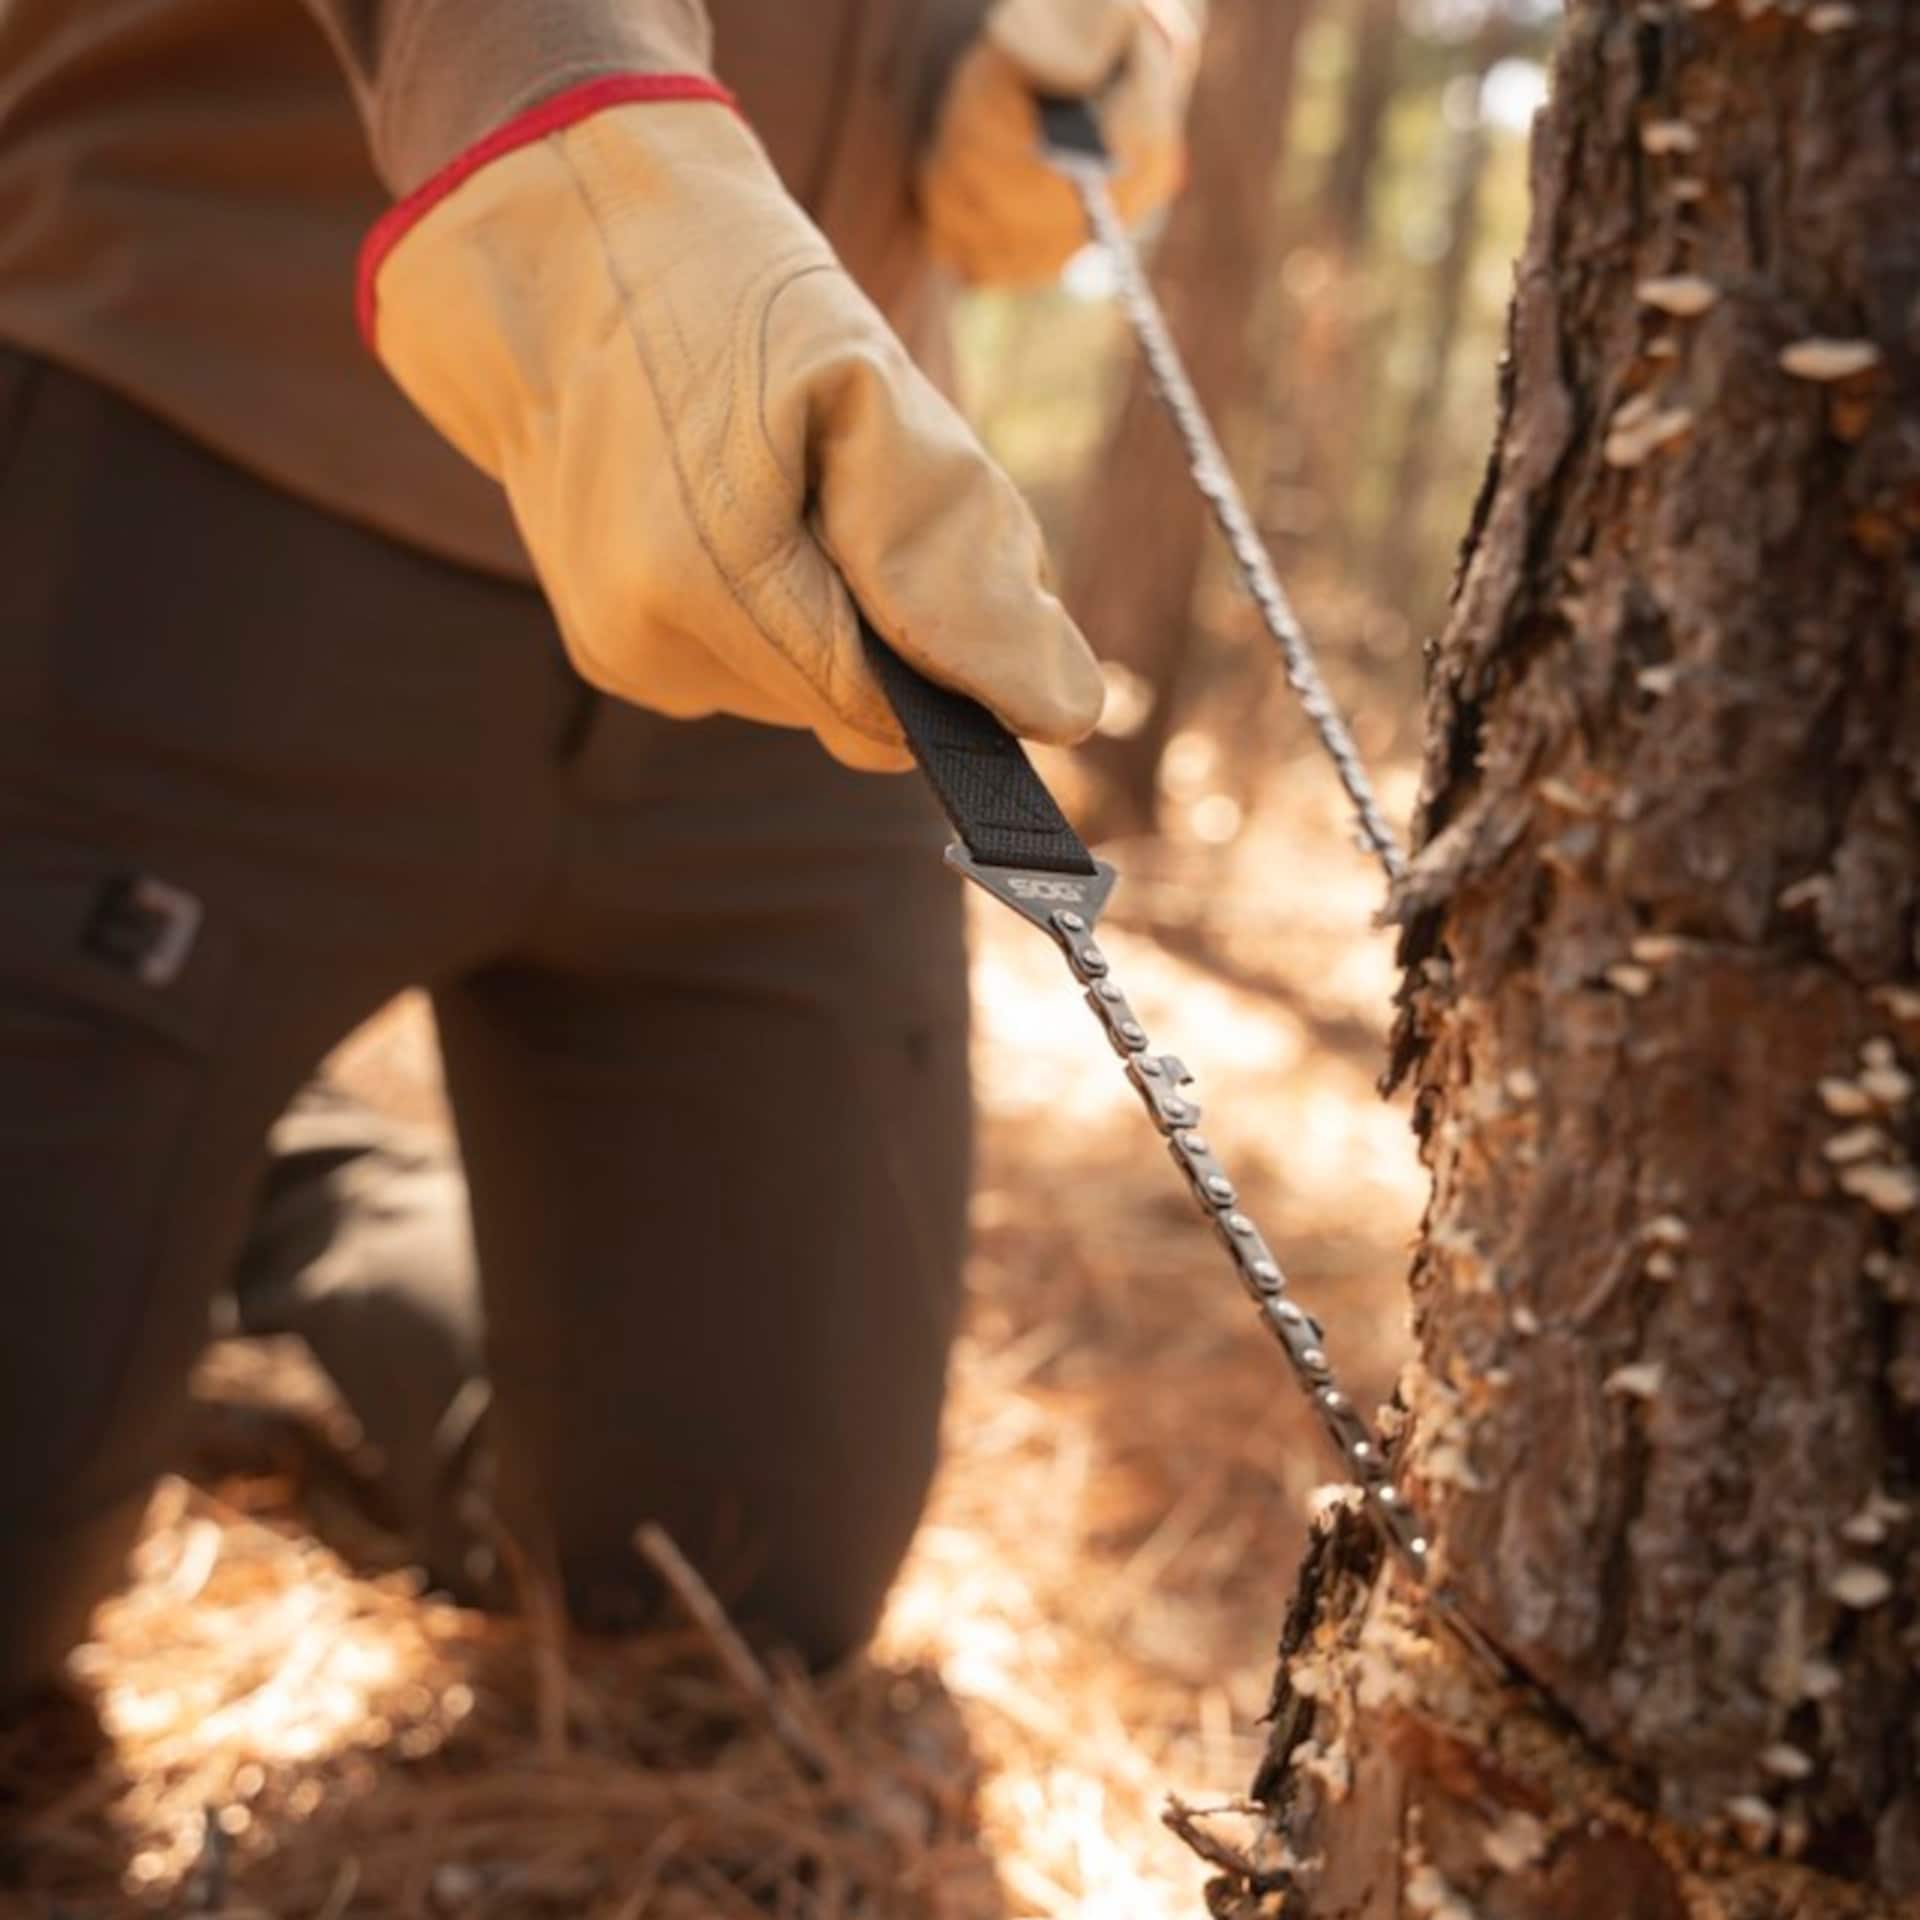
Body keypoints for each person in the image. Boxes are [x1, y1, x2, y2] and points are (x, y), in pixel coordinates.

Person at [0, 0, 1201, 1702]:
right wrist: (551, 90)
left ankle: (289, 1189)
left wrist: (1035, 57)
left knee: (722, 1602)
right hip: (193, 462)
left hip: (790, 581)